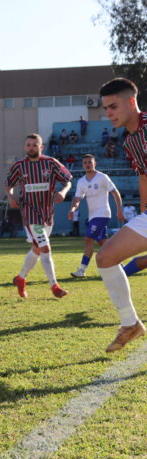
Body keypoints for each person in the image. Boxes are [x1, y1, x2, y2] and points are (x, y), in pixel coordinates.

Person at [96, 77, 147, 353]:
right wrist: (143, 213)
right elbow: (144, 176)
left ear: (131, 102)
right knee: (105, 257)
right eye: (106, 109)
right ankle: (130, 324)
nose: (109, 114)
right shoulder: (130, 141)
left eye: (113, 106)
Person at [6, 133, 72, 298]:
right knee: (45, 247)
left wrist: (63, 192)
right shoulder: (19, 166)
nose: (31, 148)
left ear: (41, 147)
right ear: (24, 147)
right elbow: (9, 184)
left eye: (35, 145)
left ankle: (21, 278)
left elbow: (68, 180)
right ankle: (54, 286)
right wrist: (11, 197)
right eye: (28, 145)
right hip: (29, 212)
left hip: (47, 213)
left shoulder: (51, 163)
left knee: (37, 249)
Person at [68, 154, 124, 278]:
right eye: (85, 163)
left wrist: (119, 210)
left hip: (103, 214)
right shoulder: (81, 181)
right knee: (104, 243)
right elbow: (77, 199)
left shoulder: (102, 177)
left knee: (88, 239)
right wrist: (72, 209)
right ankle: (121, 266)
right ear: (82, 165)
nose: (88, 164)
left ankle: (81, 270)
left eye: (90, 162)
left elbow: (115, 193)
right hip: (92, 216)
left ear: (95, 163)